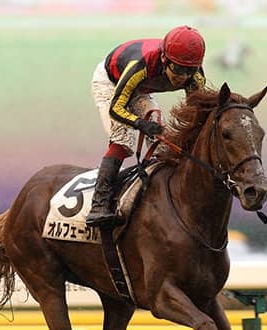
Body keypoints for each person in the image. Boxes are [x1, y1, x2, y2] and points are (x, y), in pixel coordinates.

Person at [87, 25, 207, 227]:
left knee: (162, 141)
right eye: (179, 69)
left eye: (190, 70)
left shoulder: (195, 75)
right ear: (164, 59)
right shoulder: (141, 65)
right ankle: (99, 204)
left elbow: (197, 113)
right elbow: (116, 108)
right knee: (123, 140)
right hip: (110, 82)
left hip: (141, 89)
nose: (184, 77)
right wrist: (139, 123)